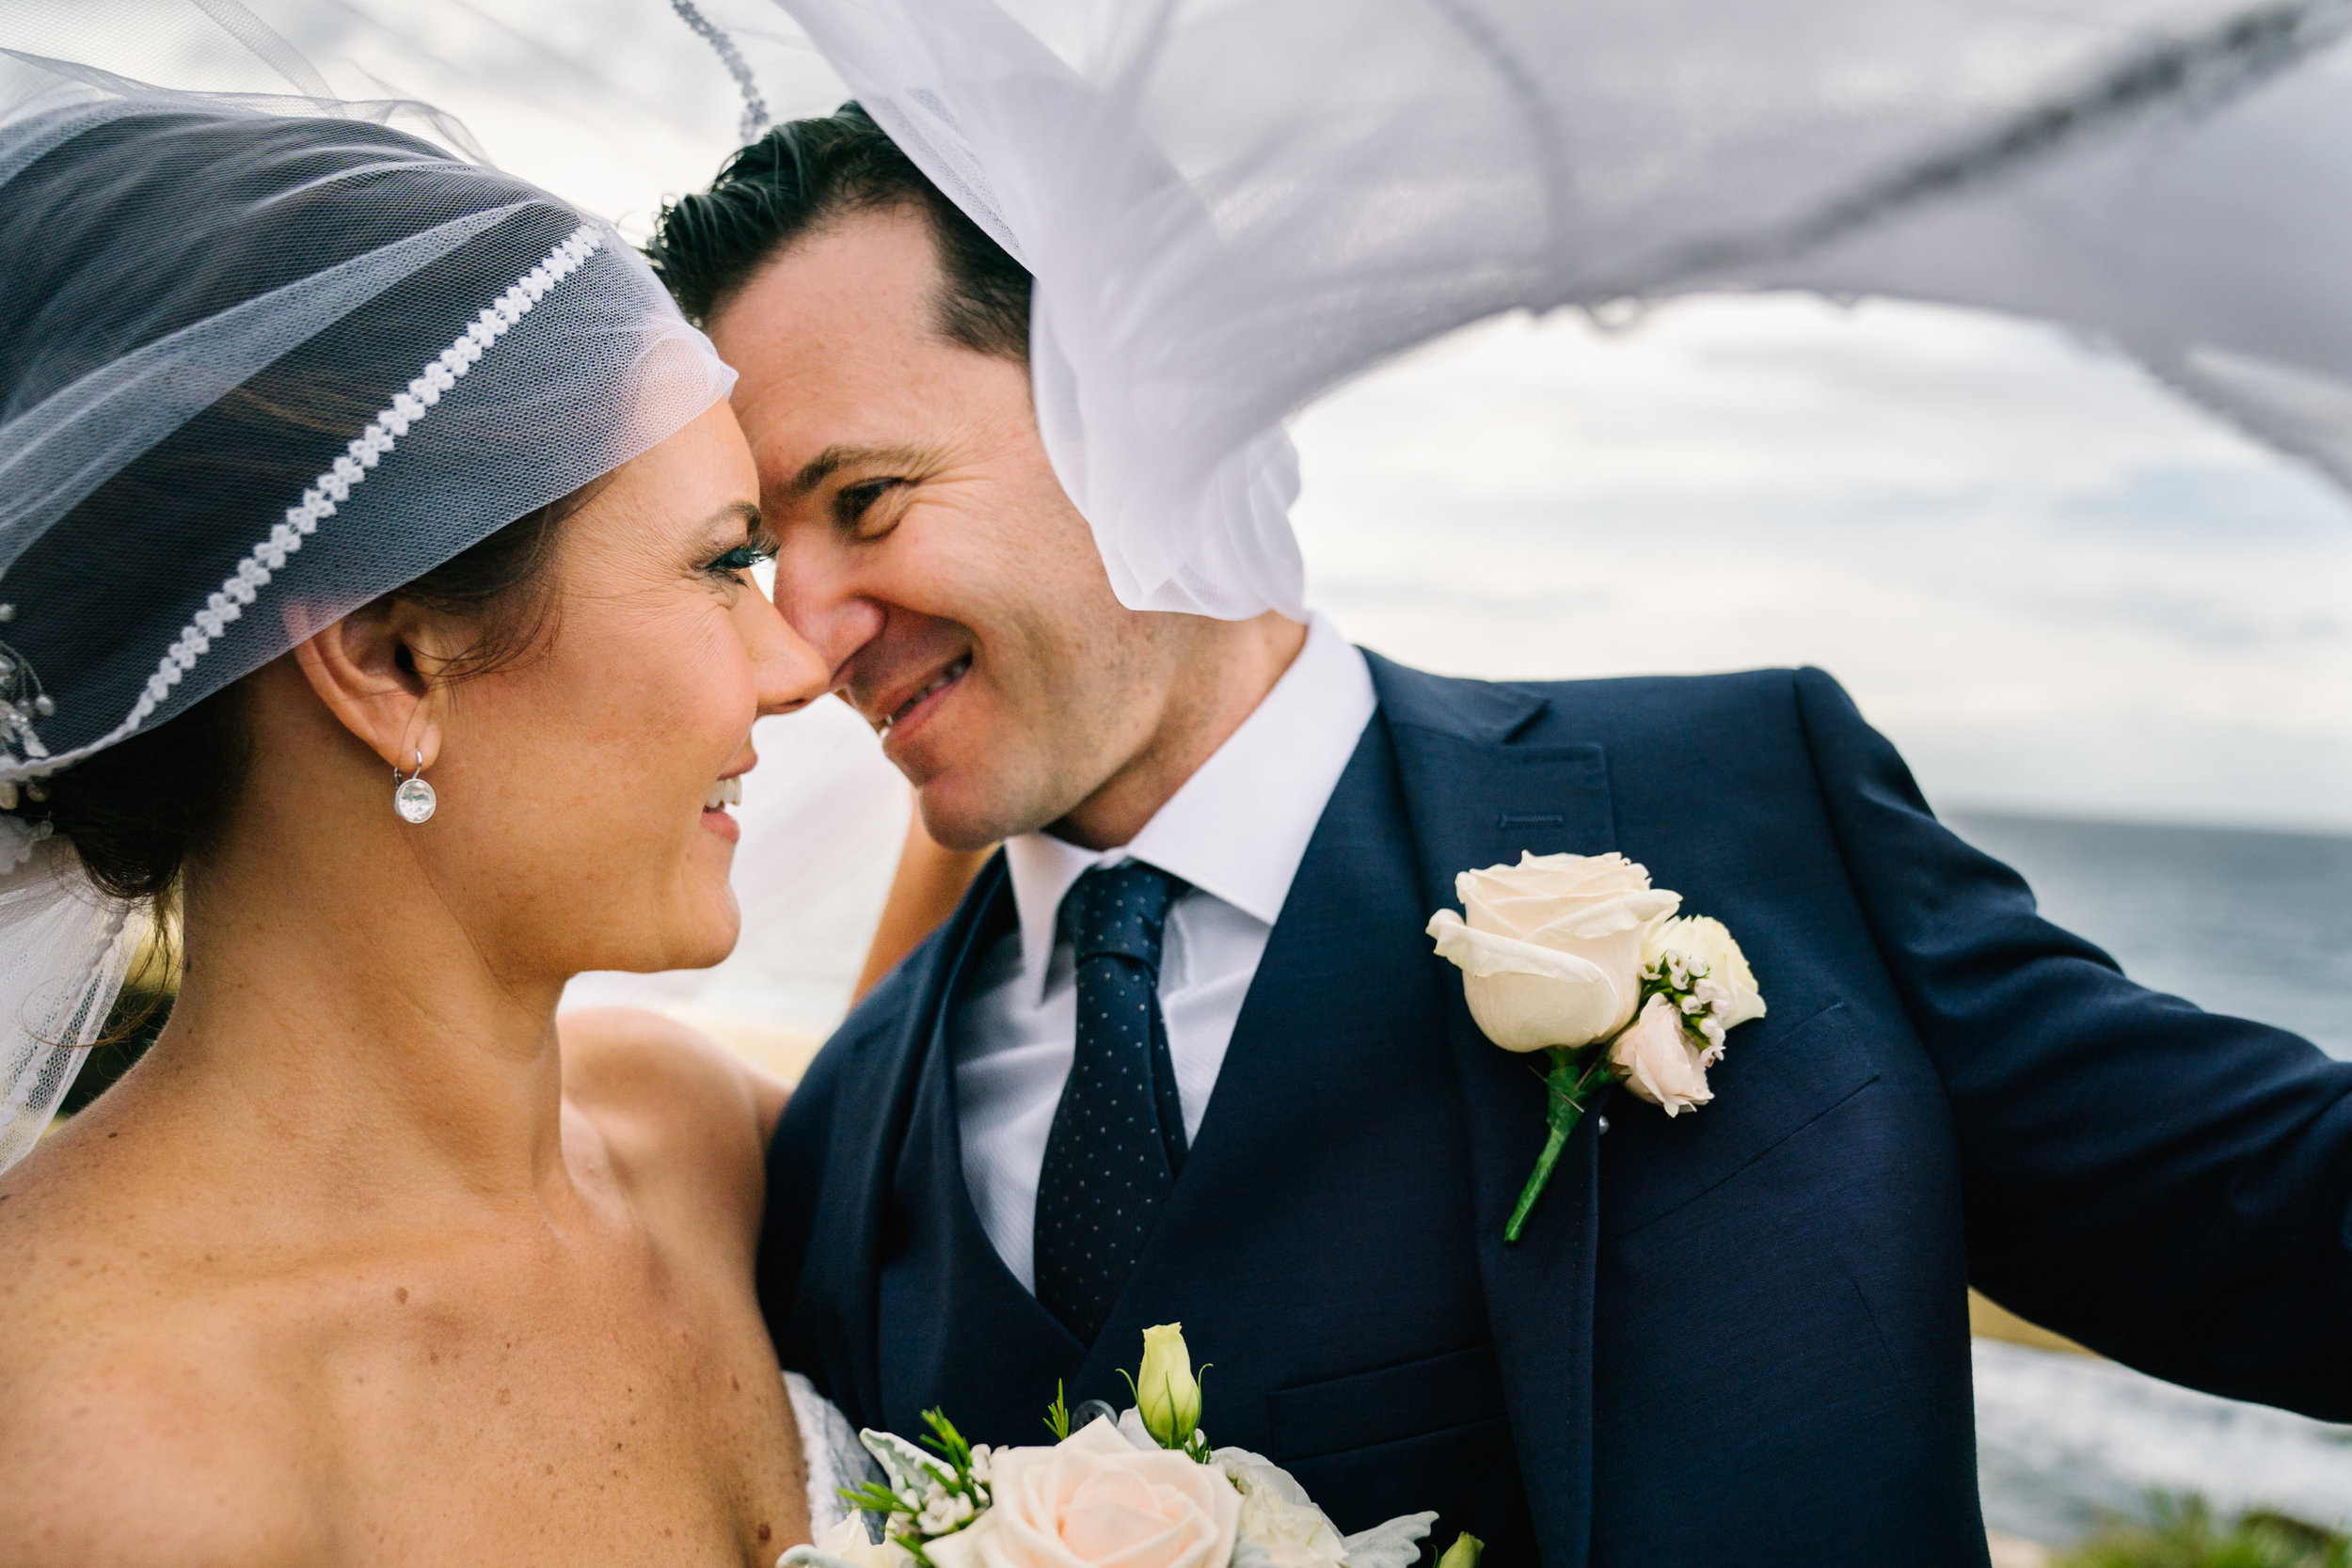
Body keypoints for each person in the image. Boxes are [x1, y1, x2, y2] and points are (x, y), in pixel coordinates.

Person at [651, 105, 2352, 1565]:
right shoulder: (848, 1131)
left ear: (1138, 406)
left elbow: (2281, 1223)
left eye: (864, 503)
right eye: (750, 554)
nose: (801, 640)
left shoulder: (1746, 798)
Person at [0, 72, 861, 1566]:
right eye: (725, 566)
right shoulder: (101, 1449)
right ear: (395, 663)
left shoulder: (689, 1140)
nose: (798, 664)